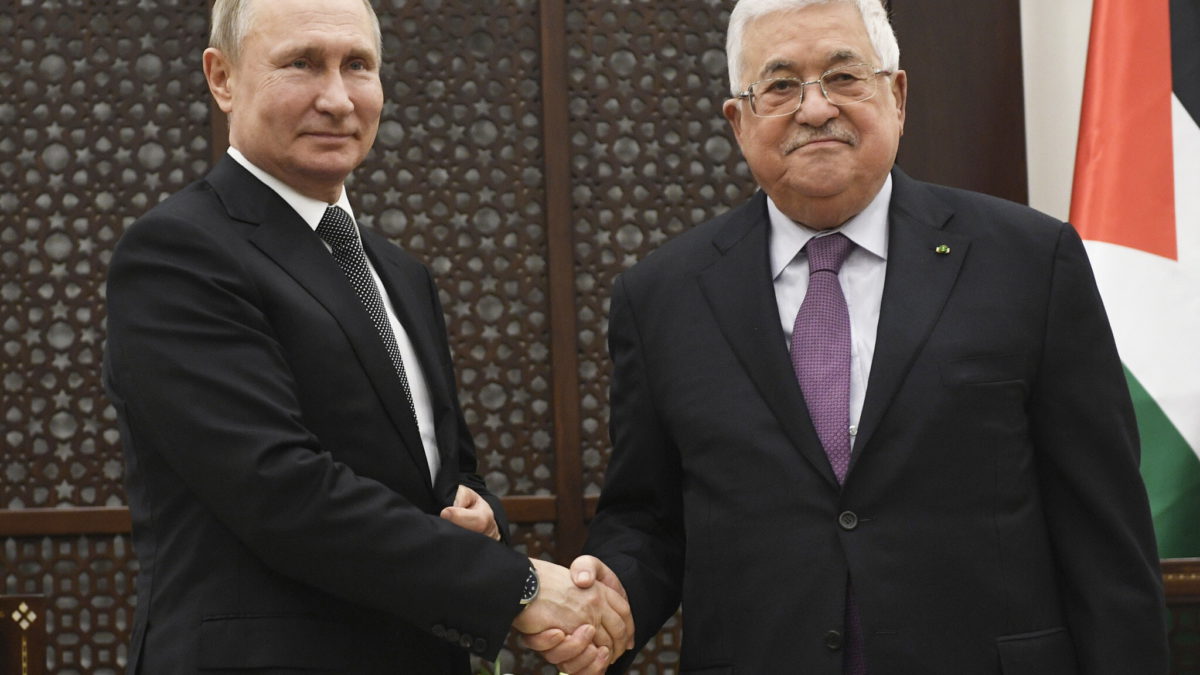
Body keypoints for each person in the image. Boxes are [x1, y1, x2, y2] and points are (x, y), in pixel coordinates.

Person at [526, 0, 1170, 672]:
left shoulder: (1029, 263)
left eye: (843, 77)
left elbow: (1106, 538)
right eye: (779, 86)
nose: (814, 109)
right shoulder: (662, 297)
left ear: (896, 95)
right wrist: (614, 597)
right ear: (738, 121)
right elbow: (649, 518)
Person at [102, 0, 629, 672]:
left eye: (358, 65)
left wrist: (479, 512)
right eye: (301, 64)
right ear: (222, 77)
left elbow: (443, 467)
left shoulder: (398, 272)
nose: (337, 97)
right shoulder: (178, 252)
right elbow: (279, 490)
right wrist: (516, 584)